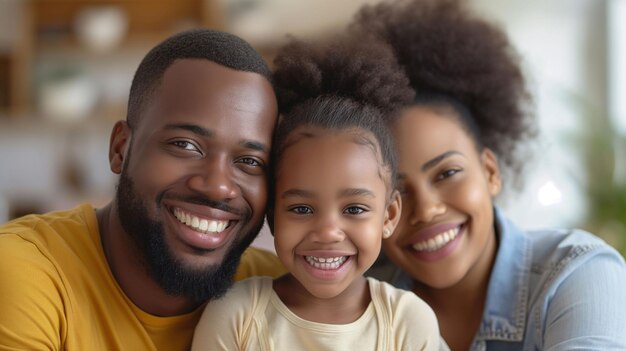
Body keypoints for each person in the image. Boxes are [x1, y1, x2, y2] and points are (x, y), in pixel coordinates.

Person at [349, 0, 626, 350]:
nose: (426, 209)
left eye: (447, 172)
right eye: (395, 193)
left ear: (490, 172)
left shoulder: (577, 273)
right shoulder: (360, 308)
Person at [0, 29, 287, 350]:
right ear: (120, 149)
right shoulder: (27, 273)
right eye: (186, 145)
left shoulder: (282, 293)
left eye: (249, 160)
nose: (218, 186)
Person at [191, 34, 440, 351]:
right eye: (302, 209)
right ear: (272, 216)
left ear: (389, 214)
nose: (327, 232)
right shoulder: (236, 314)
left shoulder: (408, 322)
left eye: (353, 209)